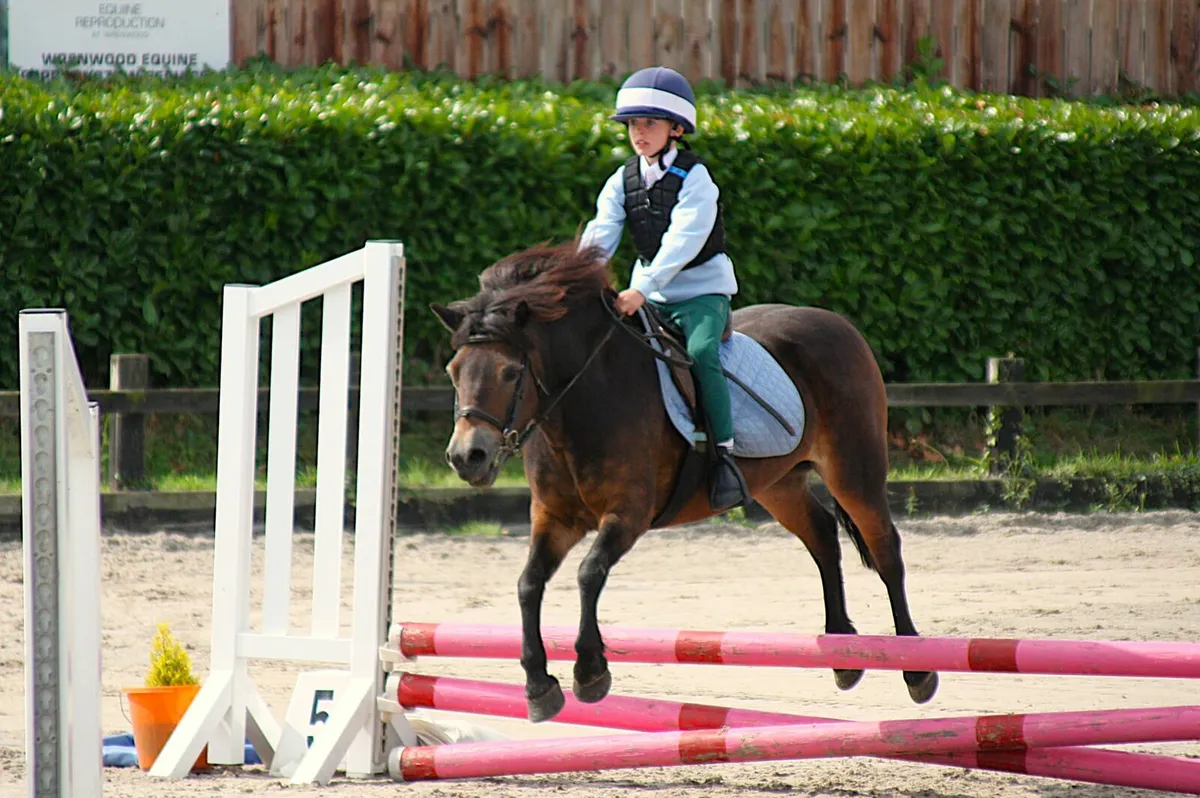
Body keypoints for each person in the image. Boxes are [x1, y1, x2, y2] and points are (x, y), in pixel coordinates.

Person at [578, 65, 748, 512]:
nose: (639, 133)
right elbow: (601, 232)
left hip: (700, 293)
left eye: (649, 123)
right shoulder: (622, 180)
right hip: (648, 293)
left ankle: (725, 457)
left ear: (676, 129)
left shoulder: (697, 180)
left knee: (703, 352)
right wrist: (578, 276)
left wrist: (641, 286)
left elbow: (682, 241)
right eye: (634, 124)